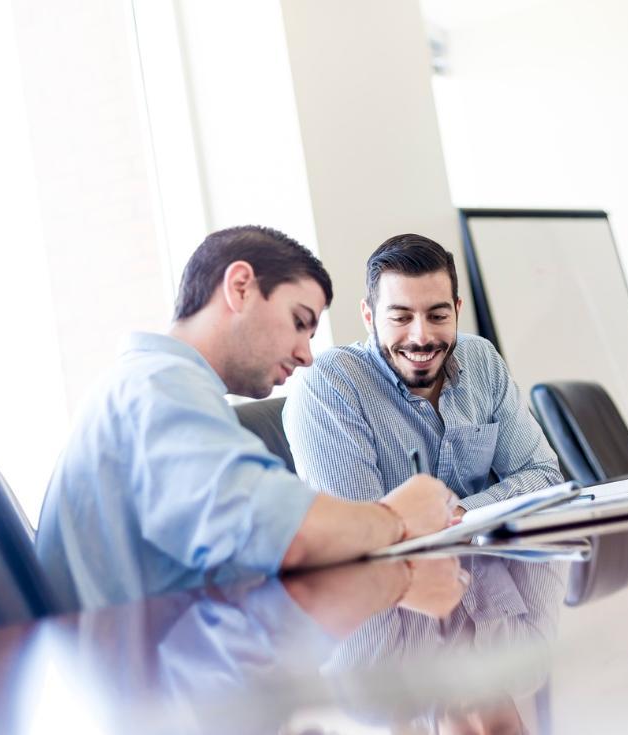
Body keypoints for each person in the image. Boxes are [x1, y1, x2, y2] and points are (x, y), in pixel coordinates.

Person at [35, 226, 457, 611]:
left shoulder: (155, 387)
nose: (306, 356)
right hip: (145, 662)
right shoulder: (158, 389)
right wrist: (395, 518)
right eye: (299, 322)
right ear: (240, 287)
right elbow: (283, 533)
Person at [283, 233, 562, 514]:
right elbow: (360, 526)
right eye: (401, 318)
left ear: (457, 311)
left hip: (486, 543)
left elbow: (544, 476)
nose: (421, 337)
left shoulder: (481, 358)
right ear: (369, 317)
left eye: (438, 316)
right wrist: (473, 516)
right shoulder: (328, 382)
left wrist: (459, 514)